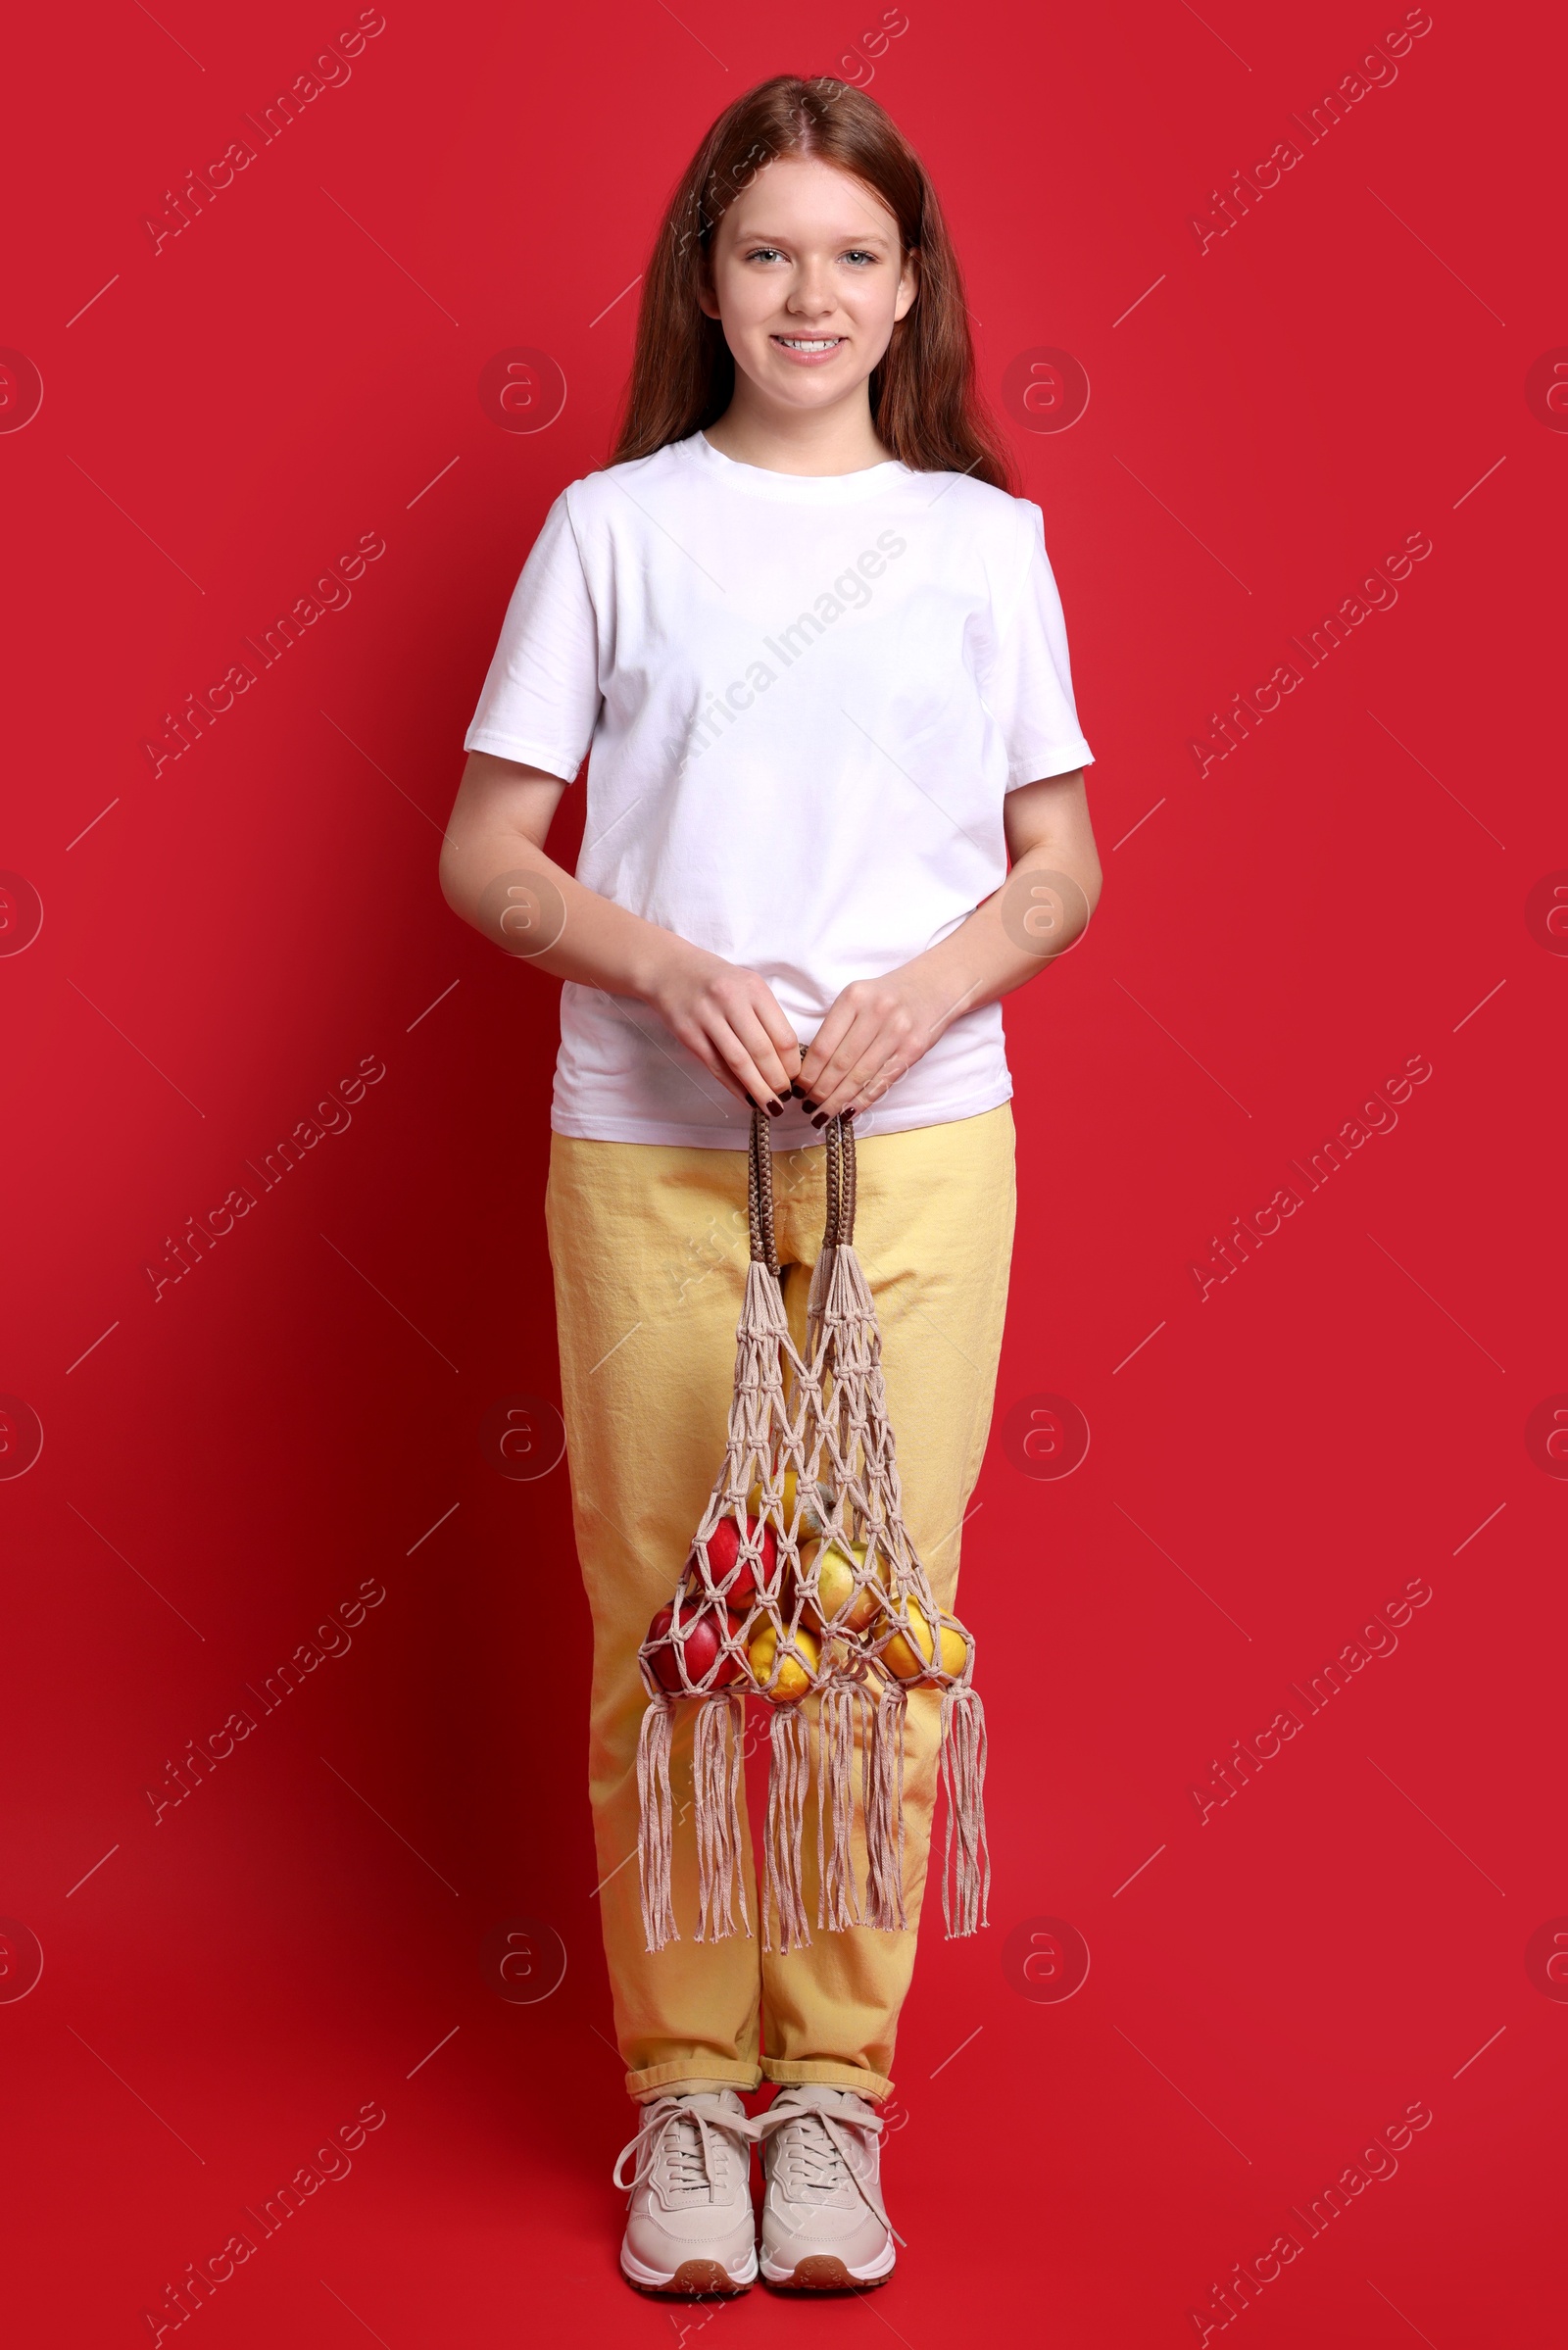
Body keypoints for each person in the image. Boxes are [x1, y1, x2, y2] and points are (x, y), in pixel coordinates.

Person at [440, 72, 1102, 2297]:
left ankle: (829, 2099)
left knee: (874, 1636)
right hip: (649, 1144)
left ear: (906, 287)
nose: (805, 293)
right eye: (762, 252)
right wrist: (667, 965)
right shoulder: (613, 527)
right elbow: (483, 854)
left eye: (848, 254)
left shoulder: (978, 542)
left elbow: (1057, 869)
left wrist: (913, 996)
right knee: (676, 1624)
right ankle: (676, 2104)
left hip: (914, 1146)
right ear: (701, 282)